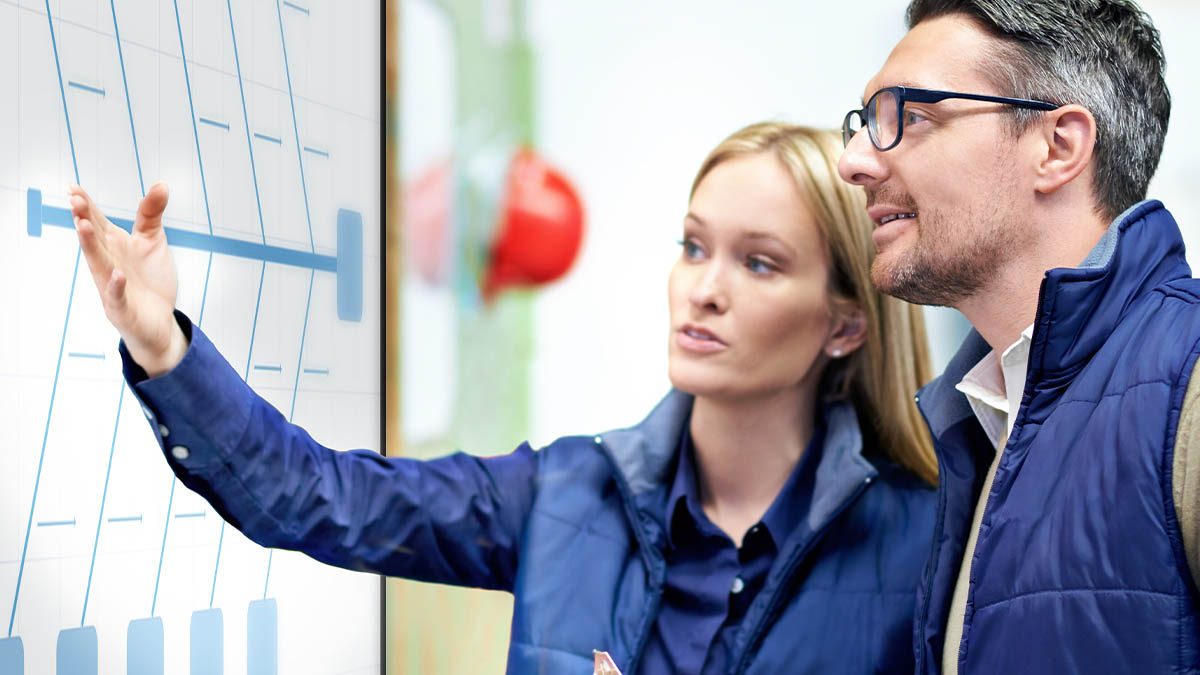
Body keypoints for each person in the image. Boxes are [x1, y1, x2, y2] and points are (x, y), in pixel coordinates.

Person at [69, 122, 937, 673]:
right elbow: (317, 495)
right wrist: (162, 342)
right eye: (692, 245)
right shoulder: (561, 493)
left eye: (759, 262)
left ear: (844, 326)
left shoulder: (924, 544)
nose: (702, 289)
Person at [838, 1, 1200, 673]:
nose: (854, 162)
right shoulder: (977, 420)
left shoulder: (1191, 383)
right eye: (865, 124)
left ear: (1057, 146)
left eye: (908, 117)